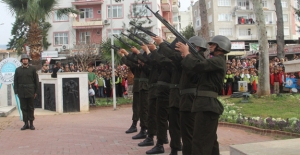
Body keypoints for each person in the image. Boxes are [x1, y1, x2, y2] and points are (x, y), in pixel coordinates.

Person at [176, 35, 231, 154]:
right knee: (210, 141)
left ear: (220, 47)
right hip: (204, 104)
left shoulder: (218, 61)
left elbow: (199, 66)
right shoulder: (214, 62)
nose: (210, 46)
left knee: (200, 142)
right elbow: (196, 76)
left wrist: (187, 54)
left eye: (213, 44)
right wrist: (187, 59)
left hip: (207, 105)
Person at [14, 54, 39, 130]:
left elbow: (36, 81)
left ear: (28, 60)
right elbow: (15, 81)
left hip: (31, 91)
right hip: (21, 92)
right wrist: (16, 91)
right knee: (23, 107)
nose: (25, 60)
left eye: (26, 59)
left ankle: (31, 123)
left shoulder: (32, 69)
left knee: (31, 107)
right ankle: (25, 123)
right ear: (21, 61)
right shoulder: (18, 70)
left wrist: (36, 92)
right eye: (23, 59)